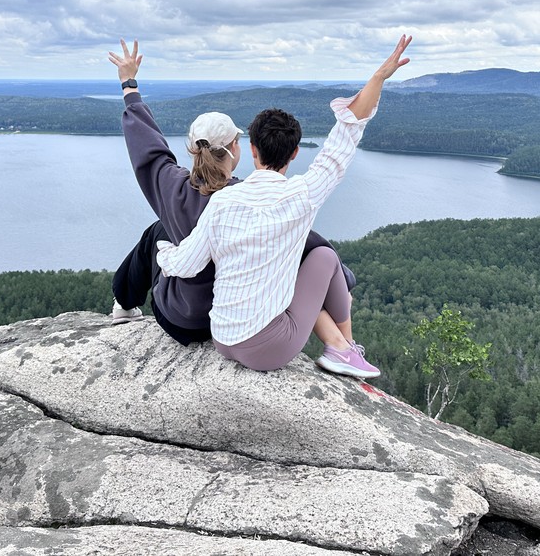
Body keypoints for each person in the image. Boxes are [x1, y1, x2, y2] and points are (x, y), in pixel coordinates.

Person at [156, 35, 412, 378]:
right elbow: (344, 139)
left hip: (222, 338)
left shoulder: (223, 201)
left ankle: (344, 349)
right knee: (323, 256)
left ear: (251, 151)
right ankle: (344, 349)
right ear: (294, 154)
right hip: (267, 349)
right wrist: (378, 78)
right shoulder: (301, 195)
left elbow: (186, 263)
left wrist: (162, 252)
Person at [108, 39, 355, 345]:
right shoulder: (246, 199)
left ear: (193, 149)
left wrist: (129, 85)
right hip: (221, 320)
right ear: (236, 148)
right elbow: (304, 238)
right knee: (160, 230)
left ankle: (124, 304)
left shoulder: (169, 187)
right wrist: (342, 278)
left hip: (176, 318)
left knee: (156, 233)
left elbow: (148, 147)